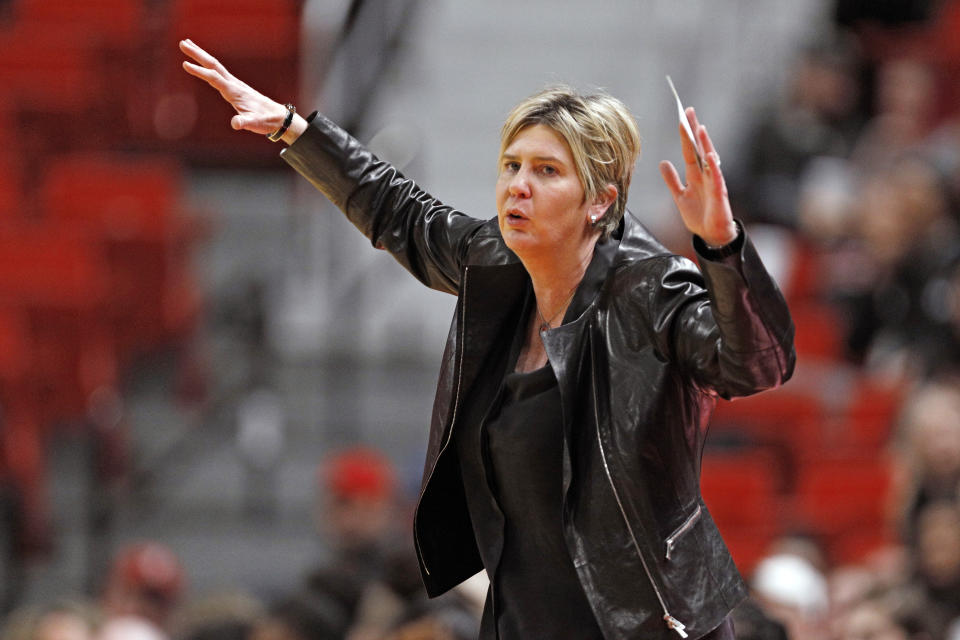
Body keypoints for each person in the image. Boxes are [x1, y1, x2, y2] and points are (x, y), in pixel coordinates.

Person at [180, 37, 795, 640]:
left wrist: (722, 245)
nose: (517, 185)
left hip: (645, 624)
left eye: (546, 171)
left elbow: (758, 366)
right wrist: (292, 128)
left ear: (599, 202)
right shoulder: (495, 264)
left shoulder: (652, 289)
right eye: (511, 165)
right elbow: (401, 213)